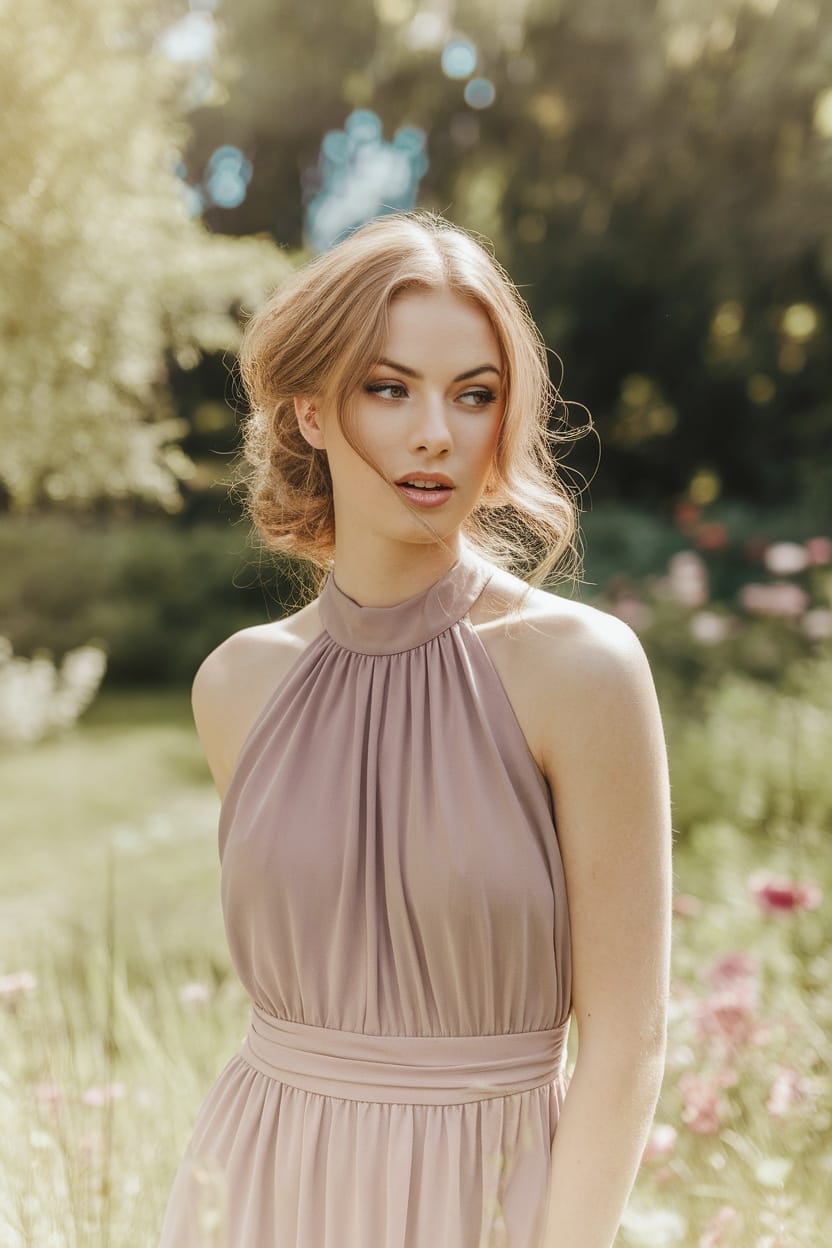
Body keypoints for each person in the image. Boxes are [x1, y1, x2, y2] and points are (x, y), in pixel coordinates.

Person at [158, 209, 672, 1248]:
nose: (436, 431)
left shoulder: (581, 672)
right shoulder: (239, 687)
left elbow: (628, 1046)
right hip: (261, 1192)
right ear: (309, 411)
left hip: (487, 1203)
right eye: (389, 389)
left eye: (473, 394)